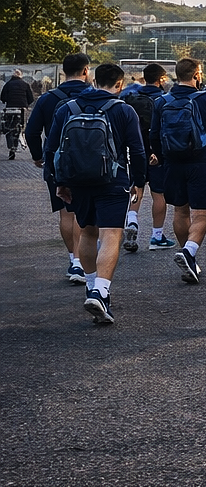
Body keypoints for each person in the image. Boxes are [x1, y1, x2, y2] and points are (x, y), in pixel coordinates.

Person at [44, 63, 147, 325]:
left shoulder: (67, 108)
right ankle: (101, 292)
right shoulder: (124, 110)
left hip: (77, 180)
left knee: (87, 230)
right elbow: (136, 150)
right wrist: (138, 181)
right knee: (111, 233)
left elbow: (51, 148)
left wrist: (57, 181)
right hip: (113, 180)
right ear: (119, 84)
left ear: (93, 80)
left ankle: (91, 286)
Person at [150, 57, 206, 285]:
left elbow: (154, 134)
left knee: (180, 211)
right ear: (196, 74)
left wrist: (162, 156)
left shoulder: (161, 101)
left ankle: (188, 254)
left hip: (172, 163)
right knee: (202, 213)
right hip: (201, 162)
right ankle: (189, 251)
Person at [25, 52, 94, 283]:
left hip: (58, 163)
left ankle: (74, 262)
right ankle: (88, 263)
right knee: (87, 212)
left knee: (67, 212)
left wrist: (38, 156)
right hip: (93, 164)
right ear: (86, 71)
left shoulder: (48, 98)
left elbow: (32, 132)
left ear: (64, 71)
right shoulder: (94, 96)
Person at [118, 63, 171, 252]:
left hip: (135, 151)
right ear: (161, 80)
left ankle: (132, 221)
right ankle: (157, 236)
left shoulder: (130, 98)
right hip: (156, 152)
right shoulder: (164, 100)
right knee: (159, 194)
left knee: (136, 187)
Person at [2, 68, 34, 159]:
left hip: (10, 109)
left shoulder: (7, 84)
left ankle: (11, 147)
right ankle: (21, 140)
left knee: (9, 128)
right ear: (21, 76)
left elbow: (2, 97)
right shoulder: (25, 84)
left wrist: (8, 101)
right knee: (20, 128)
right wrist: (25, 104)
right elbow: (31, 98)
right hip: (22, 109)